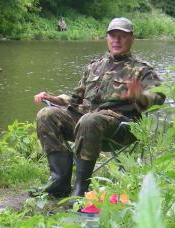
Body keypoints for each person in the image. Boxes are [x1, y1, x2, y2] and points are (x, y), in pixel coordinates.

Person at [32, 17, 165, 198]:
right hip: (85, 122)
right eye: (113, 35)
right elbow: (75, 98)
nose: (116, 40)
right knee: (46, 114)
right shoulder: (94, 66)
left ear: (132, 39)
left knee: (89, 120)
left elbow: (159, 98)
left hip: (121, 128)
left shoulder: (142, 70)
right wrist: (53, 98)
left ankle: (81, 189)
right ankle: (59, 184)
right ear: (107, 38)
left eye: (122, 36)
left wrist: (139, 96)